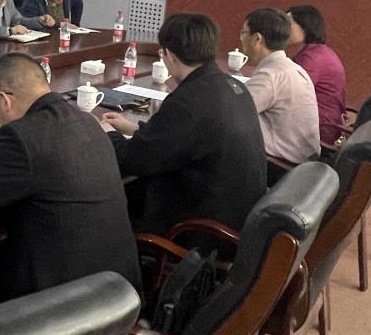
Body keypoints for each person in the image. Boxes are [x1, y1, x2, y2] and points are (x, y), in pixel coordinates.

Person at [0, 53, 141, 316]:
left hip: (59, 310)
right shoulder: (87, 121)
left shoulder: (22, 137)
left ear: (4, 100)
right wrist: (4, 160)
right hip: (117, 296)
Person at [102, 13, 266, 235]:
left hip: (199, 229)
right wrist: (134, 129)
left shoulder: (189, 101)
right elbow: (184, 139)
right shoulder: (232, 86)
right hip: (235, 215)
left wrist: (107, 133)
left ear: (169, 54)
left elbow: (132, 161)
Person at [240, 7, 322, 178]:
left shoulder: (271, 75)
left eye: (243, 33)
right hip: (302, 162)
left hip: (282, 167)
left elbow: (230, 114)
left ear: (257, 39)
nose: (241, 38)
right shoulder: (290, 67)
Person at [287, 5, 348, 147]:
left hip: (319, 130)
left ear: (305, 26)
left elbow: (288, 93)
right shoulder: (317, 52)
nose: (282, 28)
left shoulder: (313, 58)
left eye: (288, 23)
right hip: (323, 124)